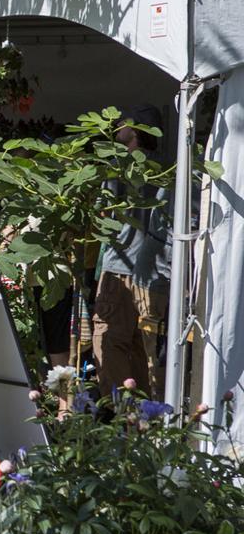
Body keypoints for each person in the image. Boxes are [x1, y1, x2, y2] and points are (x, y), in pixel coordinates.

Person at [92, 104, 170, 398]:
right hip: (154, 272)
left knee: (110, 339)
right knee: (142, 346)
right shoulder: (166, 167)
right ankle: (142, 412)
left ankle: (116, 410)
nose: (117, 127)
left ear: (135, 130)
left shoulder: (120, 167)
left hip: (120, 266)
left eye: (124, 122)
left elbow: (103, 216)